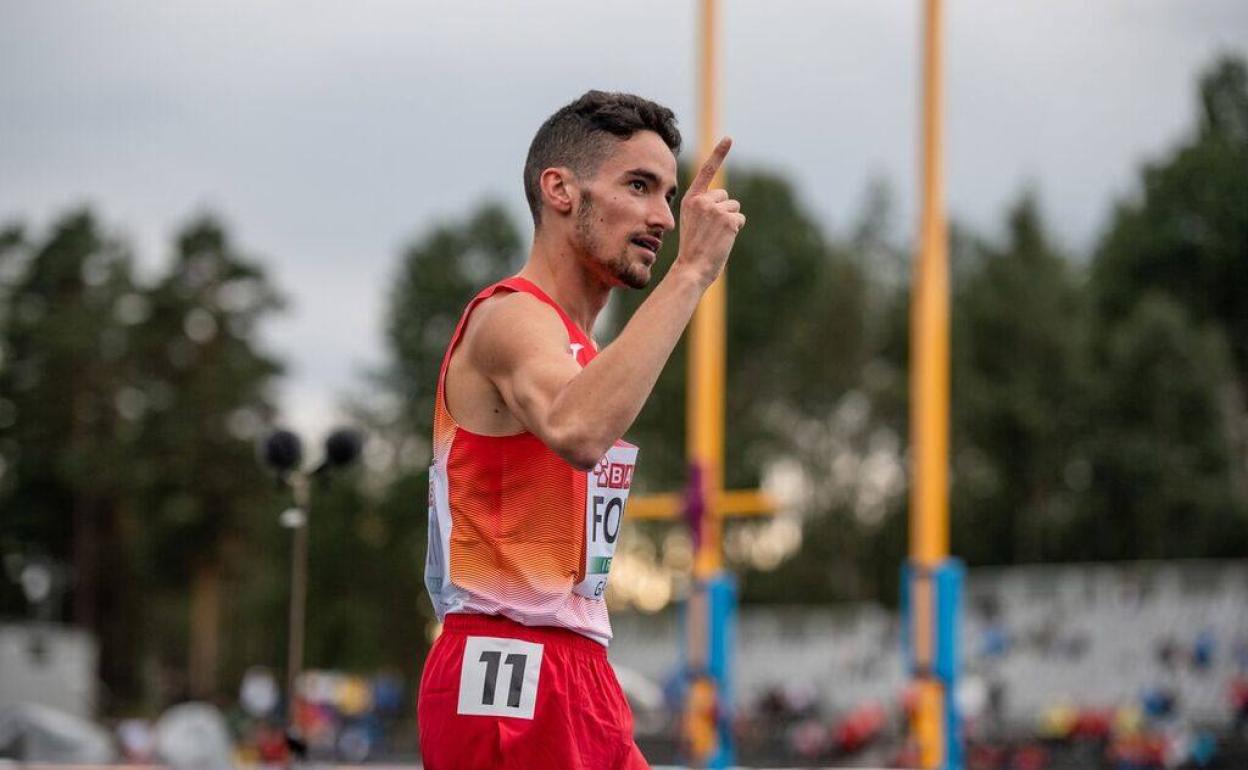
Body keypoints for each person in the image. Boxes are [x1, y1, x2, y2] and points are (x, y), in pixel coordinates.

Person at [417, 90, 744, 770]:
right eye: (638, 186)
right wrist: (690, 273)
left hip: (580, 661)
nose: (663, 217)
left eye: (669, 193)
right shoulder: (511, 316)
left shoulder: (581, 348)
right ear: (560, 190)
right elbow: (578, 427)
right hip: (508, 663)